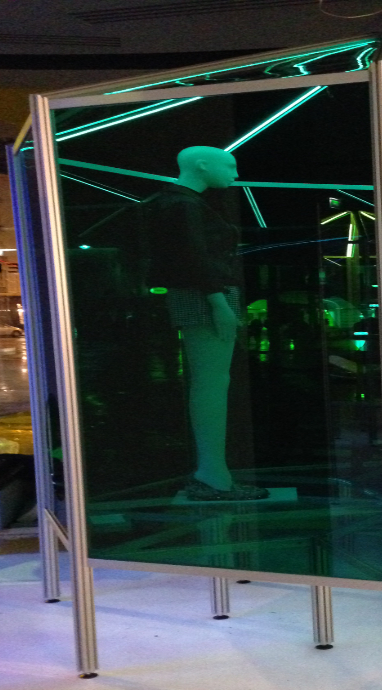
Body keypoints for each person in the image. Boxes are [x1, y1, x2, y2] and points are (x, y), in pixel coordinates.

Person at [145, 146, 267, 501]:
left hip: (206, 294)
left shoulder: (180, 203)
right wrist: (219, 302)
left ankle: (213, 471)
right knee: (212, 382)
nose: (234, 173)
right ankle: (212, 473)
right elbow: (193, 257)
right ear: (202, 165)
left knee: (211, 381)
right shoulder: (183, 205)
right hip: (206, 296)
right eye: (228, 165)